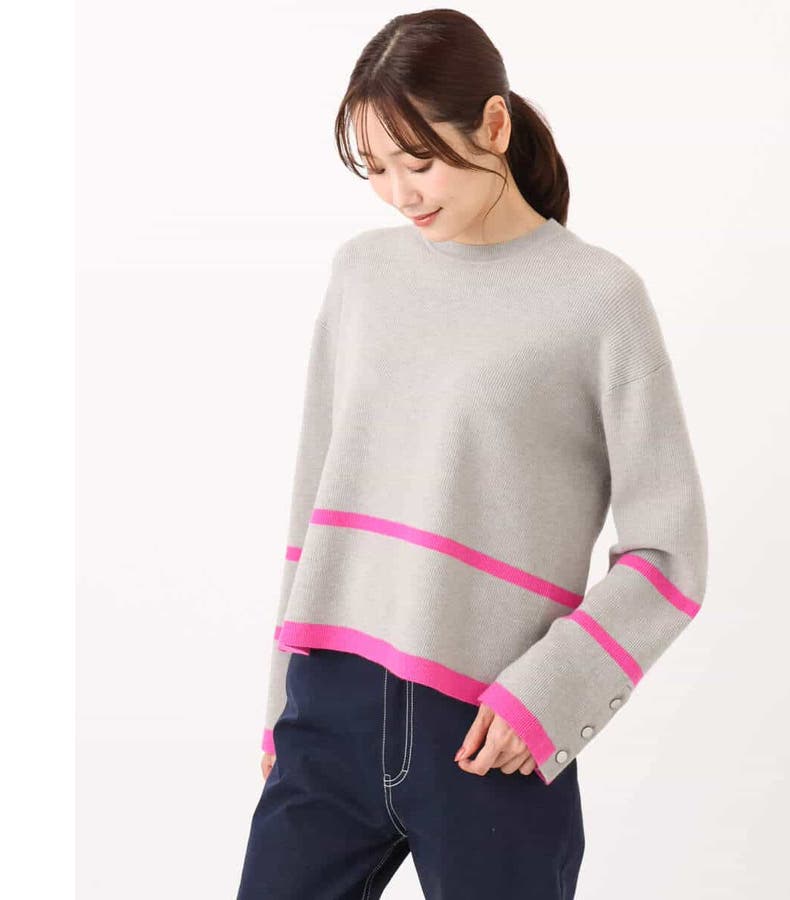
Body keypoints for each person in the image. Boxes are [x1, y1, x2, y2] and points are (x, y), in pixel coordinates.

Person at [236, 8, 708, 899]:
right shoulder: (362, 275)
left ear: (494, 125)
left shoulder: (598, 299)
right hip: (328, 715)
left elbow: (669, 552)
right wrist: (279, 708)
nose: (399, 193)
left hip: (491, 733)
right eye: (376, 168)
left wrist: (551, 698)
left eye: (419, 162)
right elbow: (314, 502)